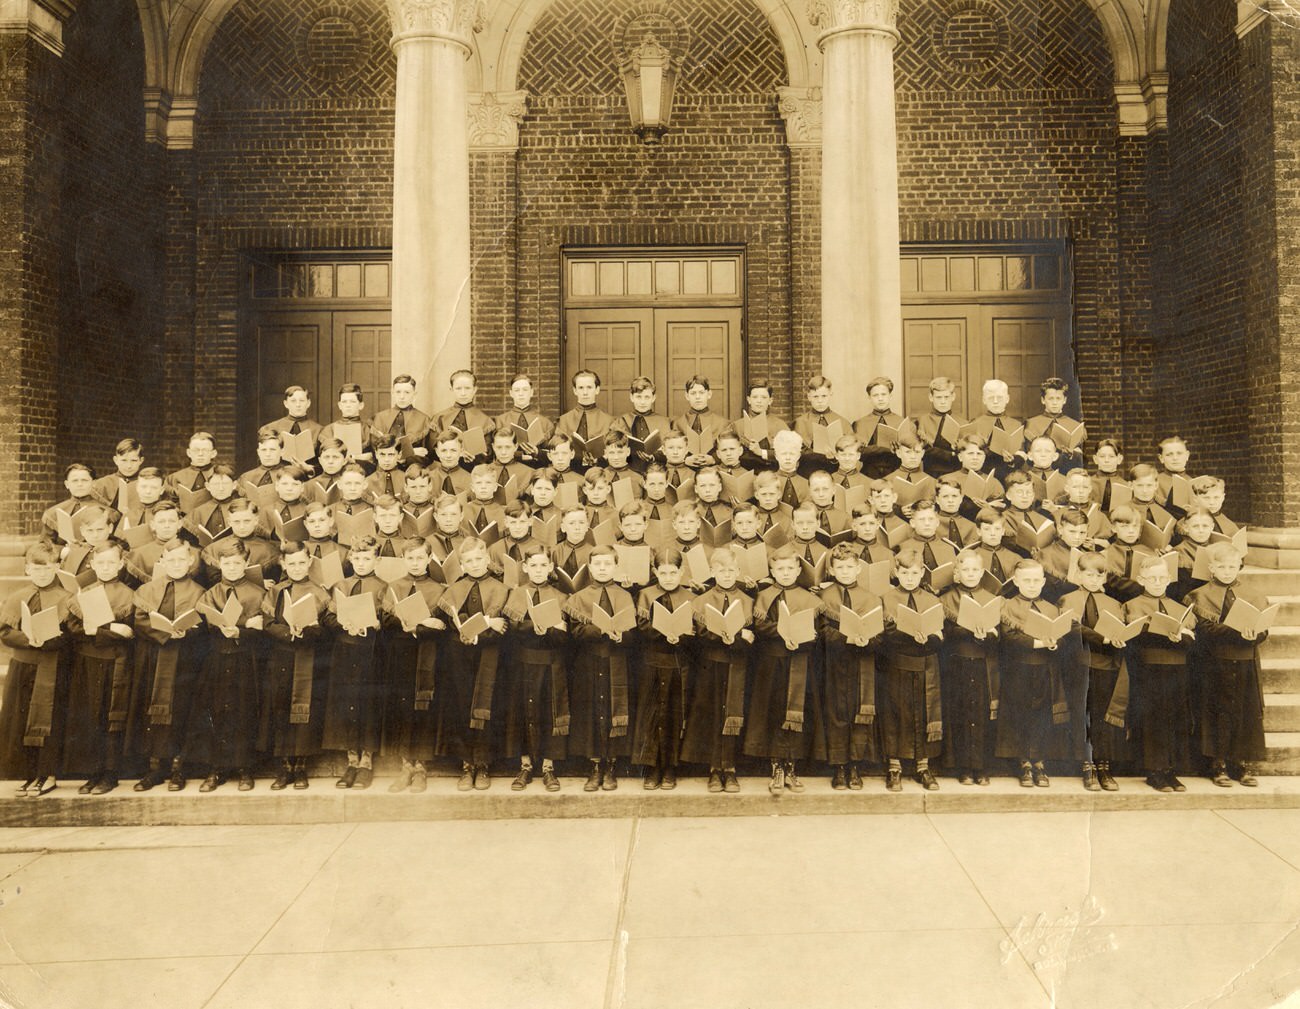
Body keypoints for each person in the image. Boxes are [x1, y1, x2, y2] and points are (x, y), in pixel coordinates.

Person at [127, 539, 207, 792]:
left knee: (181, 711)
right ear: (162, 562)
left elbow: (203, 624)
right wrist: (164, 633)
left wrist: (188, 632)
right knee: (152, 712)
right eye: (171, 560)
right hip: (152, 657)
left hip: (185, 661)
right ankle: (155, 769)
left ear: (191, 561)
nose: (176, 565)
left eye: (182, 559)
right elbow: (139, 619)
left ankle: (178, 767)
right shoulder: (147, 589)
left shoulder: (199, 591)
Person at [744, 545, 825, 795]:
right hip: (772, 663)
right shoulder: (765, 595)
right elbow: (760, 626)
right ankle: (776, 767)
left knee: (796, 713)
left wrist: (806, 636)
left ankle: (791, 766)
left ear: (799, 569)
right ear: (772, 570)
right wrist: (782, 633)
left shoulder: (810, 598)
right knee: (774, 710)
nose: (786, 573)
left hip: (800, 660)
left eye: (791, 568)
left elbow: (818, 630)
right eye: (780, 569)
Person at [1187, 543, 1267, 787]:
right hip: (1214, 662)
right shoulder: (1199, 595)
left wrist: (1256, 634)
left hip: (1245, 661)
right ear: (1211, 567)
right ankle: (1217, 764)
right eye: (1221, 566)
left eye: (1232, 566)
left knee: (1244, 713)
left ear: (1239, 567)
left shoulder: (1253, 594)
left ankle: (1240, 765)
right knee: (1217, 713)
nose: (1227, 571)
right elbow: (1204, 629)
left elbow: (1263, 628)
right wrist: (1239, 632)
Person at [190, 537, 267, 792]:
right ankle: (217, 768)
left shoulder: (258, 593)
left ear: (246, 563)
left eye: (237, 563)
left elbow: (263, 631)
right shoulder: (210, 593)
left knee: (244, 712)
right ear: (219, 564)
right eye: (227, 563)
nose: (232, 568)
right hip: (217, 659)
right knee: (216, 712)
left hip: (246, 659)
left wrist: (242, 631)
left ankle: (245, 768)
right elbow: (203, 629)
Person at [434, 537, 509, 790]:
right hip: (460, 656)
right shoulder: (456, 587)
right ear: (462, 565)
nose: (475, 564)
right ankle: (467, 764)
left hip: (490, 654)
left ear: (487, 559)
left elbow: (502, 626)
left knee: (487, 706)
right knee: (462, 704)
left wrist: (481, 631)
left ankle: (484, 764)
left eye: (479, 558)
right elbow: (452, 624)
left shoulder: (500, 587)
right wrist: (482, 625)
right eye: (469, 561)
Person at [63, 542, 136, 794]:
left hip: (117, 662)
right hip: (87, 661)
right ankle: (92, 772)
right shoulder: (84, 593)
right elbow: (73, 628)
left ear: (121, 564)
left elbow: (129, 632)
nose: (106, 568)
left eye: (111, 563)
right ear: (92, 565)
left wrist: (98, 630)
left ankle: (110, 774)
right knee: (90, 716)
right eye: (101, 563)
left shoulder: (129, 594)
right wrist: (109, 629)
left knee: (111, 716)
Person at [0, 540, 72, 796]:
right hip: (23, 666)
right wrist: (27, 639)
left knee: (49, 720)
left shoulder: (67, 598)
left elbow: (71, 634)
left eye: (48, 568)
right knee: (21, 719)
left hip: (52, 666)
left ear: (56, 567)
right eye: (36, 569)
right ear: (27, 569)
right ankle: (29, 774)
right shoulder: (18, 596)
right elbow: (5, 632)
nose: (42, 574)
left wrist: (49, 640)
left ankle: (47, 774)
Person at [563, 544, 637, 791]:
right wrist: (598, 629)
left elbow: (633, 634)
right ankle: (595, 766)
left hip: (616, 660)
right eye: (598, 564)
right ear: (590, 568)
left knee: (614, 709)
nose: (603, 569)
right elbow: (575, 631)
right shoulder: (580, 597)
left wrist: (620, 636)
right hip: (590, 662)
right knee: (592, 711)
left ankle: (612, 765)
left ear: (616, 566)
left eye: (608, 564)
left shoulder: (625, 596)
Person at [260, 541, 332, 791]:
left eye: (302, 562)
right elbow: (268, 623)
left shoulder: (321, 592)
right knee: (280, 707)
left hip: (309, 656)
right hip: (281, 656)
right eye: (292, 564)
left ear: (310, 562)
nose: (297, 568)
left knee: (304, 708)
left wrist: (308, 631)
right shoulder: (275, 591)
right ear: (283, 564)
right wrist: (287, 632)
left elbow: (327, 627)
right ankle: (285, 767)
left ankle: (301, 767)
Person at [995, 559, 1073, 788]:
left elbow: (1062, 634)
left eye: (1036, 580)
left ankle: (1039, 761)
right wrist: (1039, 643)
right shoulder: (1007, 606)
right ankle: (1023, 763)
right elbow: (1009, 636)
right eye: (1026, 580)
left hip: (1046, 669)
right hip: (1019, 668)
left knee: (1041, 716)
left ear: (1043, 581)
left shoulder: (1051, 607)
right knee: (1020, 715)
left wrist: (1055, 643)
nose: (1032, 585)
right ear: (1016, 581)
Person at [1125, 553, 1198, 792]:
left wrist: (1180, 638)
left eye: (1161, 578)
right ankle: (1154, 770)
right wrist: (1170, 637)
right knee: (1153, 719)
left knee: (1174, 718)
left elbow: (1192, 639)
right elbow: (1137, 635)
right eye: (1151, 578)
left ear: (1169, 579)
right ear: (1140, 579)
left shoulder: (1178, 608)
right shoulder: (1133, 605)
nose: (1157, 582)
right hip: (1149, 670)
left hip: (1177, 670)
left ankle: (1171, 770)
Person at [380, 538, 446, 793]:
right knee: (402, 707)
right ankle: (405, 765)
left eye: (420, 558)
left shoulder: (438, 589)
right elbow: (386, 621)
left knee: (423, 708)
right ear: (403, 560)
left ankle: (421, 767)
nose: (416, 563)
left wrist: (418, 627)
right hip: (400, 655)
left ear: (429, 559)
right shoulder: (394, 586)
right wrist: (415, 625)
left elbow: (440, 626)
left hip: (427, 654)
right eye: (410, 558)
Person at [684, 547, 753, 792]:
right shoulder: (700, 601)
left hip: (737, 665)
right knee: (714, 714)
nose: (726, 574)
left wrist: (736, 638)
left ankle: (731, 769)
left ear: (739, 571)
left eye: (731, 570)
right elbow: (699, 636)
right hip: (710, 665)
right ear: (712, 571)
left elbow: (752, 638)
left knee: (733, 715)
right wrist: (731, 636)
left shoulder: (748, 601)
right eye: (721, 570)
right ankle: (715, 768)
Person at [501, 546, 569, 792]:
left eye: (543, 565)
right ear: (525, 568)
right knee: (523, 712)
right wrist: (533, 628)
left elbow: (565, 637)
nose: (539, 571)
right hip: (523, 663)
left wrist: (549, 630)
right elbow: (512, 630)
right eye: (534, 566)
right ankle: (526, 765)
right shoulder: (517, 594)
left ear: (550, 567)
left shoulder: (561, 596)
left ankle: (549, 767)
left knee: (548, 712)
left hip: (551, 663)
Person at [1059, 551, 1129, 791]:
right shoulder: (1067, 599)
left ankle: (1103, 766)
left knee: (1102, 716)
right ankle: (1085, 764)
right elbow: (1072, 627)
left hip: (1105, 666)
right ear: (1078, 575)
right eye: (1088, 574)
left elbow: (1120, 629)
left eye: (1099, 575)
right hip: (1079, 664)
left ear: (1105, 577)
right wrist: (1103, 638)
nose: (1093, 579)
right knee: (1082, 715)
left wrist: (1119, 638)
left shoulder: (1113, 603)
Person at [322, 535, 387, 789]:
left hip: (371, 652)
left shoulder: (383, 586)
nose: (361, 563)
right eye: (357, 558)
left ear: (376, 560)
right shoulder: (341, 584)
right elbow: (328, 617)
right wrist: (341, 623)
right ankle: (351, 760)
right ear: (350, 559)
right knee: (347, 704)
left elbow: (389, 618)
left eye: (367, 558)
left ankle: (366, 763)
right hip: (345, 652)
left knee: (367, 704)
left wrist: (377, 623)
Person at [878, 545, 944, 791]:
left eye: (914, 574)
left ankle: (922, 766)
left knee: (923, 713)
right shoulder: (886, 598)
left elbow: (940, 634)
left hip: (926, 662)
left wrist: (929, 638)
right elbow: (884, 634)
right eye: (904, 573)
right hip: (897, 662)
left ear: (922, 573)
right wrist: (908, 636)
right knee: (896, 712)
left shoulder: (931, 598)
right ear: (896, 572)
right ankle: (894, 767)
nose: (909, 578)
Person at [819, 544, 883, 790]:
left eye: (849, 567)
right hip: (834, 663)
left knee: (859, 713)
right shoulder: (824, 598)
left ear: (858, 568)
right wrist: (845, 638)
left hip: (862, 662)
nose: (845, 572)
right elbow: (821, 631)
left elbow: (880, 636)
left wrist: (867, 640)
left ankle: (855, 765)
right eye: (840, 567)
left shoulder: (871, 598)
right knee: (837, 713)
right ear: (832, 570)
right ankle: (839, 766)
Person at [633, 547, 696, 790]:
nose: (668, 577)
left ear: (681, 572)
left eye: (673, 572)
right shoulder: (646, 595)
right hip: (653, 662)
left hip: (679, 663)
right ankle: (652, 767)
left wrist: (682, 635)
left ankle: (670, 767)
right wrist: (662, 633)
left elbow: (696, 631)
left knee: (673, 715)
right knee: (653, 716)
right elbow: (642, 626)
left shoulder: (690, 597)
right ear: (655, 572)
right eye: (663, 573)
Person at [939, 549, 1000, 785]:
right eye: (965, 570)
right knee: (961, 713)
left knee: (982, 714)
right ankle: (963, 767)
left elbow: (999, 633)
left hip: (984, 663)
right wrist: (968, 630)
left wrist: (989, 634)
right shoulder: (947, 599)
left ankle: (981, 766)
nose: (971, 574)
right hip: (958, 663)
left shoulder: (992, 596)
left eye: (975, 569)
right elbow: (945, 632)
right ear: (957, 573)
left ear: (982, 572)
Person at [853, 376, 912, 479]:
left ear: (890, 396)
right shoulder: (860, 423)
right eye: (875, 395)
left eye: (884, 394)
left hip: (896, 472)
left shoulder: (903, 422)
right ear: (869, 398)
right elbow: (857, 453)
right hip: (869, 473)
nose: (880, 399)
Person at [554, 369, 613, 468]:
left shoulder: (610, 421)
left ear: (597, 389)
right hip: (571, 471)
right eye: (581, 388)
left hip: (601, 471)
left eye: (589, 387)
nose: (585, 392)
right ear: (575, 390)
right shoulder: (563, 420)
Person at [910, 376, 967, 477]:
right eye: (939, 397)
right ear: (931, 397)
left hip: (956, 474)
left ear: (953, 397)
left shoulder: (963, 424)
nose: (943, 402)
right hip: (929, 473)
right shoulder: (921, 421)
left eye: (946, 397)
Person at [793, 375, 850, 476]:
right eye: (816, 396)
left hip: (835, 472)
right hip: (807, 472)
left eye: (824, 396)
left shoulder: (842, 421)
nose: (820, 401)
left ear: (830, 394)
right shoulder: (800, 422)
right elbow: (796, 452)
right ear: (809, 397)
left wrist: (836, 456)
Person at [371, 373, 432, 464]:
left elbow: (426, 453)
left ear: (414, 394)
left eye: (407, 392)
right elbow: (375, 449)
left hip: (413, 468)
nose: (402, 397)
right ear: (392, 393)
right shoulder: (380, 417)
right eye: (398, 392)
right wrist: (412, 452)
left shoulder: (424, 419)